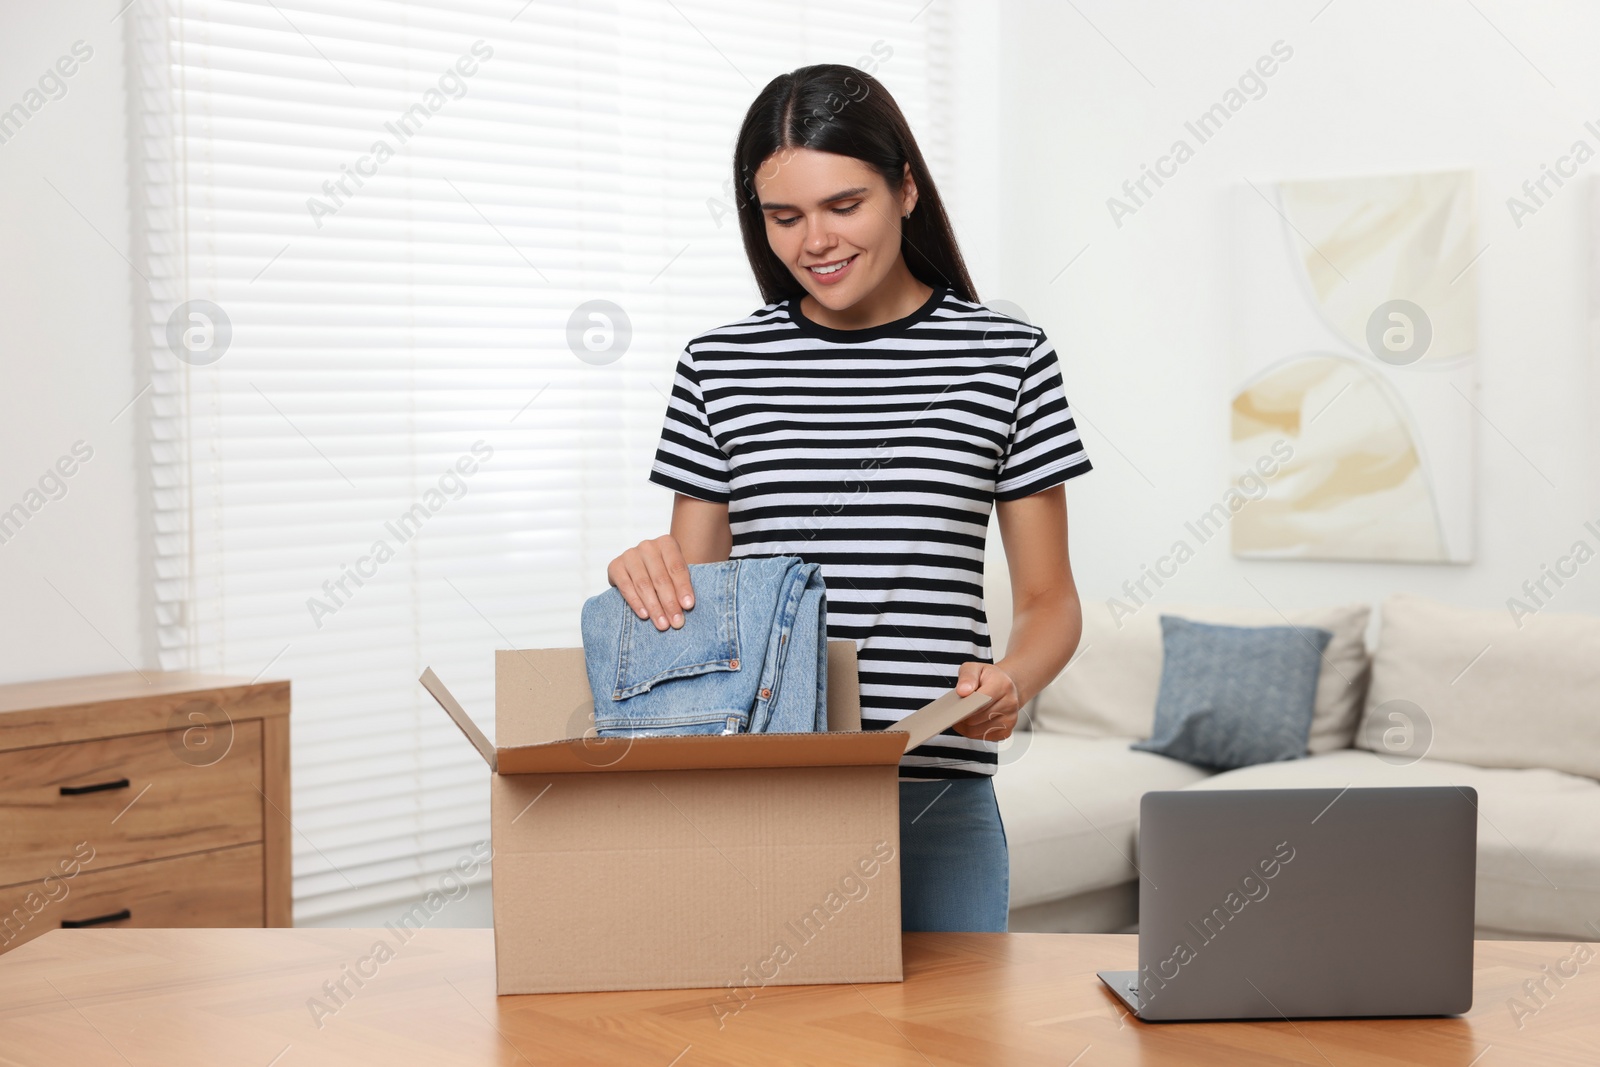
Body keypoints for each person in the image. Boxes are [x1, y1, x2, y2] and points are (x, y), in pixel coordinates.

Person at [605, 63, 1091, 933]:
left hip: (938, 797)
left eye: (844, 205)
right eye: (784, 217)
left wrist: (1012, 679)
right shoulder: (718, 366)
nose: (815, 240)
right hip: (767, 800)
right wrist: (647, 573)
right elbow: (705, 605)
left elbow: (1051, 601)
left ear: (905, 188)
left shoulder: (1007, 357)